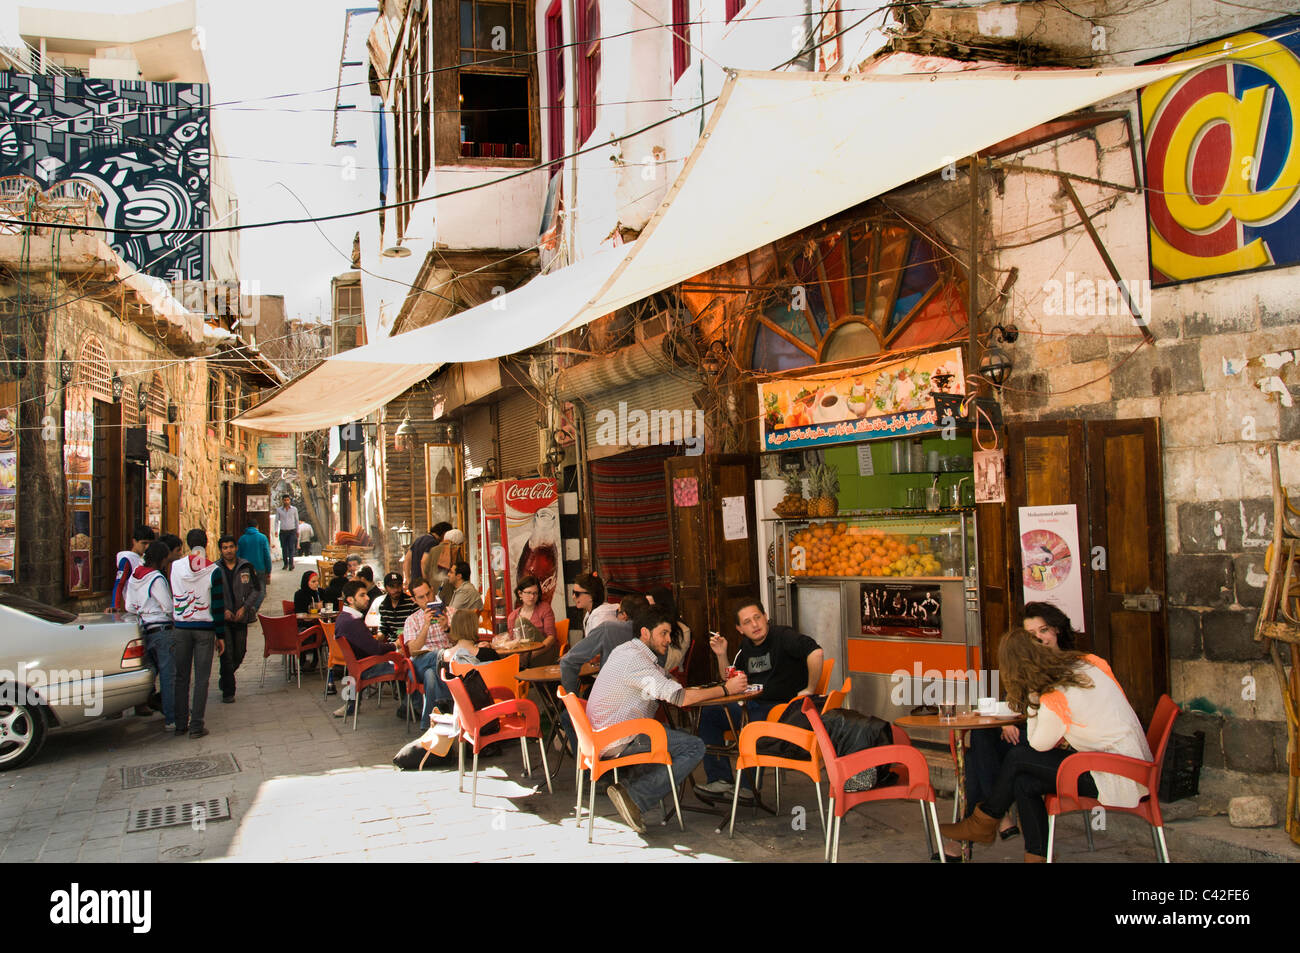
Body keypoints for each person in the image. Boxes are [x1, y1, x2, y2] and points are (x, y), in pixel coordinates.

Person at [939, 628, 1152, 862]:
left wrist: (1032, 696)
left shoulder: (1053, 693)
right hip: (1129, 763)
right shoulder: (1079, 665)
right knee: (1023, 782)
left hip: (1116, 773)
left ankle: (985, 820)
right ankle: (1034, 854)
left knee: (1018, 757)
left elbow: (1038, 744)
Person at [586, 605, 748, 832]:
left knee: (680, 736)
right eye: (663, 633)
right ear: (645, 633)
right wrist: (725, 690)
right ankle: (636, 796)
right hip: (620, 737)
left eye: (669, 634)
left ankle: (633, 786)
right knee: (693, 746)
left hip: (610, 733)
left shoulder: (628, 651)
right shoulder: (635, 660)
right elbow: (680, 698)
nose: (668, 639)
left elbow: (663, 682)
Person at [962, 602, 1079, 844]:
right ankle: (996, 815)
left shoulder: (1071, 666)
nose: (1040, 639)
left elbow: (1061, 719)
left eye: (1044, 630)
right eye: (1032, 635)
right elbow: (1013, 701)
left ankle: (984, 822)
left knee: (978, 756)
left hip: (1057, 740)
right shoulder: (1027, 662)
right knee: (982, 736)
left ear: (1057, 629)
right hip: (1025, 732)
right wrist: (1005, 723)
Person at [696, 598, 824, 798]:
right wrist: (721, 654)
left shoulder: (783, 636)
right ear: (739, 628)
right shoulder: (745, 647)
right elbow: (729, 679)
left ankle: (748, 787)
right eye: (747, 622)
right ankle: (720, 779)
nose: (754, 625)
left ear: (766, 618)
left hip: (783, 710)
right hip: (753, 705)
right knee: (710, 713)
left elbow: (816, 652)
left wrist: (809, 689)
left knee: (751, 722)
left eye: (757, 618)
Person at [170, 529, 225, 739]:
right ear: (206, 543)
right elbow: (218, 605)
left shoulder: (175, 567)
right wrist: (220, 635)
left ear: (187, 543)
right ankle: (196, 725)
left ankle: (180, 723)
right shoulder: (213, 570)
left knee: (181, 676)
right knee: (202, 678)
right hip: (204, 628)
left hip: (181, 626)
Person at [125, 540, 176, 731]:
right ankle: (172, 718)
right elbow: (168, 606)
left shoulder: (135, 577)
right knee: (168, 676)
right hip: (161, 630)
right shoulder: (156, 578)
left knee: (151, 671)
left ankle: (152, 703)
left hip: (143, 629)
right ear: (161, 559)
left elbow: (129, 606)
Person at [332, 580, 397, 718]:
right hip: (368, 667)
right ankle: (410, 707)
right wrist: (395, 645)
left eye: (366, 594)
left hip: (357, 668)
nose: (367, 598)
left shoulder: (343, 618)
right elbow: (376, 649)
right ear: (350, 599)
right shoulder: (352, 622)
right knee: (408, 665)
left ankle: (351, 704)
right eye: (362, 595)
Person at [216, 533, 264, 704]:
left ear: (236, 548)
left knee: (240, 652)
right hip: (224, 620)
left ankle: (225, 676)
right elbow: (211, 593)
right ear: (221, 550)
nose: (228, 550)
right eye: (225, 547)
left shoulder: (246, 567)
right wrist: (223, 610)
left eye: (231, 547)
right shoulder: (215, 569)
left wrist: (245, 607)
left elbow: (256, 589)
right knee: (226, 654)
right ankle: (228, 691)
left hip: (241, 618)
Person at [403, 579, 451, 728]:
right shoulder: (411, 620)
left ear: (432, 589)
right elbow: (413, 650)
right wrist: (425, 626)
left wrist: (447, 628)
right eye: (421, 597)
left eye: (428, 594)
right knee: (436, 657)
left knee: (430, 676)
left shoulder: (450, 612)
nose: (427, 600)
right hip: (421, 663)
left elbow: (459, 642)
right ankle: (448, 705)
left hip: (444, 666)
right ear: (414, 600)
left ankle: (426, 725)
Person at [506, 574, 557, 665]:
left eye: (535, 593)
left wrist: (532, 654)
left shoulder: (545, 608)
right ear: (520, 594)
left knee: (521, 622)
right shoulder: (512, 616)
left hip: (543, 652)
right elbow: (512, 642)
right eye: (528, 593)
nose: (532, 597)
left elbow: (551, 637)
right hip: (523, 656)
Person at [647, 584, 692, 677]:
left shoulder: (683, 630)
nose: (648, 610)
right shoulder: (646, 626)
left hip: (670, 677)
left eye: (652, 606)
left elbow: (671, 664)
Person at [112, 524, 156, 611]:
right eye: (144, 543)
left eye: (150, 544)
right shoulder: (128, 559)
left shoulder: (148, 559)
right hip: (133, 606)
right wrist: (115, 606)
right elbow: (119, 583)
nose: (147, 546)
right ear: (134, 541)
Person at [402, 521, 451, 588]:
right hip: (424, 584)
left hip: (415, 583)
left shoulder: (419, 540)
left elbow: (407, 560)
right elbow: (424, 561)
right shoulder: (433, 543)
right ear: (444, 533)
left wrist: (409, 581)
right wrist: (426, 582)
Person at [572, 571, 617, 636]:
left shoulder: (600, 620)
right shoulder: (590, 613)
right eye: (573, 592)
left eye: (577, 594)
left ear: (591, 596)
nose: (573, 597)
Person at [376, 571, 418, 640]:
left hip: (409, 640)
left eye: (398, 585)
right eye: (392, 586)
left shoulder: (412, 603)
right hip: (392, 643)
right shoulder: (383, 606)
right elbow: (383, 629)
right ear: (386, 588)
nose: (396, 589)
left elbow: (416, 627)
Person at [236, 521, 273, 585]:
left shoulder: (242, 539)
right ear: (257, 527)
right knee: (260, 591)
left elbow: (238, 555)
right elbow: (267, 555)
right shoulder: (263, 538)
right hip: (260, 568)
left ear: (247, 527)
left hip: (245, 569)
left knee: (245, 590)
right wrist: (268, 570)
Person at [274, 494, 299, 571]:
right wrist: (276, 530)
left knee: (291, 548)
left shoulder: (294, 509)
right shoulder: (279, 510)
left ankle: (291, 564)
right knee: (284, 548)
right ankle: (285, 564)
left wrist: (297, 531)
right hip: (283, 532)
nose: (286, 501)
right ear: (282, 501)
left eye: (288, 500)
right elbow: (276, 521)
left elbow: (296, 520)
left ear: (290, 500)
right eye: (285, 500)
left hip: (292, 531)